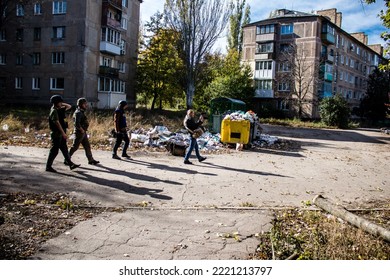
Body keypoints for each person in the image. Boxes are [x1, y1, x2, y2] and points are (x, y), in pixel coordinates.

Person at [46, 95, 80, 172]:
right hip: (57, 133)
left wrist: (61, 103)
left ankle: (71, 164)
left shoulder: (59, 109)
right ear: (56, 103)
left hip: (61, 133)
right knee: (54, 151)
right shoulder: (54, 111)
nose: (61, 103)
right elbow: (57, 123)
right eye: (60, 102)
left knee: (64, 149)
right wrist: (63, 133)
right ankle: (48, 167)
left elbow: (69, 106)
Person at [68, 98, 99, 165]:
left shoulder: (81, 112)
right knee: (75, 147)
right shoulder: (78, 113)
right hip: (79, 133)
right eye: (85, 104)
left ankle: (91, 160)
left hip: (83, 133)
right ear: (80, 104)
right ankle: (67, 159)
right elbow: (76, 124)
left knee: (87, 146)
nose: (86, 105)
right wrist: (81, 130)